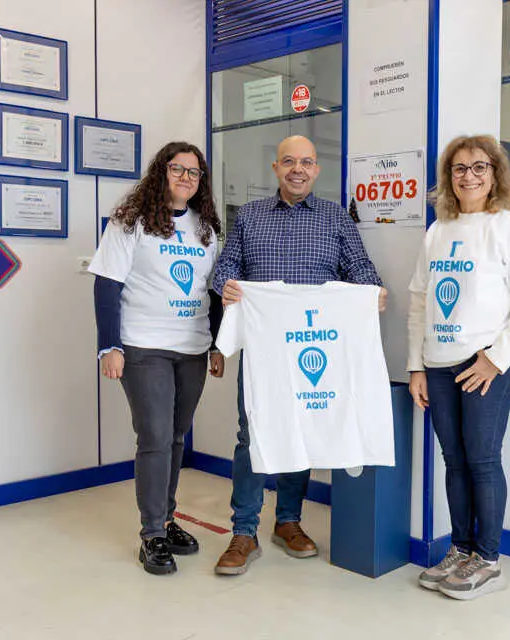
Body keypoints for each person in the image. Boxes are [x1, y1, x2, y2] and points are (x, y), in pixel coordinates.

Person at [211, 135, 387, 575]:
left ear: (316, 169)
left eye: (306, 162)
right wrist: (226, 286)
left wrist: (373, 293)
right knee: (251, 434)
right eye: (288, 161)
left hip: (316, 345)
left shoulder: (334, 218)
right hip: (266, 350)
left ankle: (288, 521)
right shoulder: (249, 217)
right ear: (275, 167)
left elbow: (361, 270)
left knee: (302, 428)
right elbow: (225, 269)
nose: (298, 169)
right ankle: (244, 531)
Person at [407, 134, 510, 600]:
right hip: (439, 365)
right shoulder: (436, 231)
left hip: (485, 363)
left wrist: (495, 359)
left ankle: (487, 560)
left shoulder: (509, 227)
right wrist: (417, 366)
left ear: (495, 174)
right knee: (454, 462)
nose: (469, 176)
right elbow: (419, 302)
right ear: (449, 177)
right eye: (460, 168)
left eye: (479, 167)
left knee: (483, 461)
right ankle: (461, 549)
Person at [88, 141, 225, 576]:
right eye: (177, 169)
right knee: (154, 436)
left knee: (177, 437)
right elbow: (107, 286)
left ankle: (167, 519)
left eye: (195, 172)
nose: (186, 178)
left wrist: (219, 343)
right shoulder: (132, 221)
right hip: (143, 346)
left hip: (192, 347)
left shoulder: (206, 228)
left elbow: (216, 292)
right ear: (160, 173)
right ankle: (151, 534)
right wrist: (109, 346)